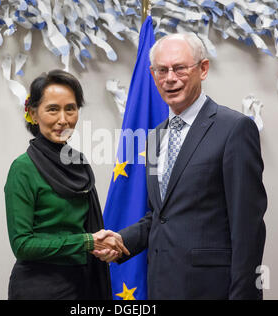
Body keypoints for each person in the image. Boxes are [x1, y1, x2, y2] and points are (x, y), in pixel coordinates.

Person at [93, 33, 267, 300]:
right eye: (162, 70)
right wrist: (121, 241)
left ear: (203, 69)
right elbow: (160, 215)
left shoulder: (234, 129)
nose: (170, 78)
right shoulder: (154, 138)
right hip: (161, 286)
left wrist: (244, 295)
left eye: (180, 68)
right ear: (153, 76)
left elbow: (248, 227)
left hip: (212, 290)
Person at [4, 70, 129, 300]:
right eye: (53, 109)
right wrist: (87, 241)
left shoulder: (78, 163)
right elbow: (22, 245)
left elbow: (89, 230)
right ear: (33, 113)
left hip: (81, 284)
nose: (64, 119)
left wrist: (103, 245)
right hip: (39, 288)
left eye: (70, 108)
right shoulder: (23, 168)